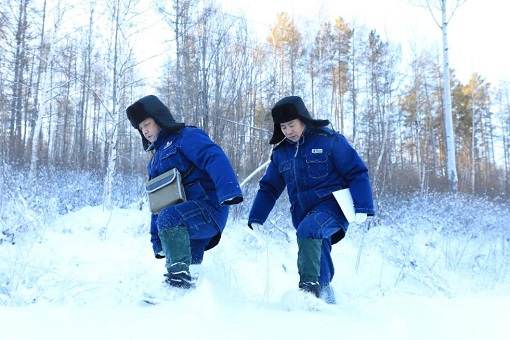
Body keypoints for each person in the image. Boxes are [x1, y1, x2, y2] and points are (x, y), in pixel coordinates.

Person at [247, 96, 374, 303]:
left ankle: (308, 293)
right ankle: (326, 300)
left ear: (303, 119)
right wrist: (257, 217)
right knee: (317, 253)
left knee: (309, 231)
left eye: (292, 125)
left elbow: (356, 171)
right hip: (303, 213)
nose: (289, 131)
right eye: (284, 127)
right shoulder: (281, 153)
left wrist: (363, 205)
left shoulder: (329, 141)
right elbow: (269, 188)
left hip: (334, 207)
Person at [127, 95, 243, 289]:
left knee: (170, 220)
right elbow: (158, 201)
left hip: (208, 209)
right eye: (141, 128)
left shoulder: (185, 136)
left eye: (147, 124)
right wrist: (157, 240)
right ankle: (188, 299)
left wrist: (229, 189)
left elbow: (213, 156)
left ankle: (175, 285)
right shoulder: (154, 161)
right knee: (191, 269)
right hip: (185, 222)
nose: (145, 131)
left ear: (159, 118)